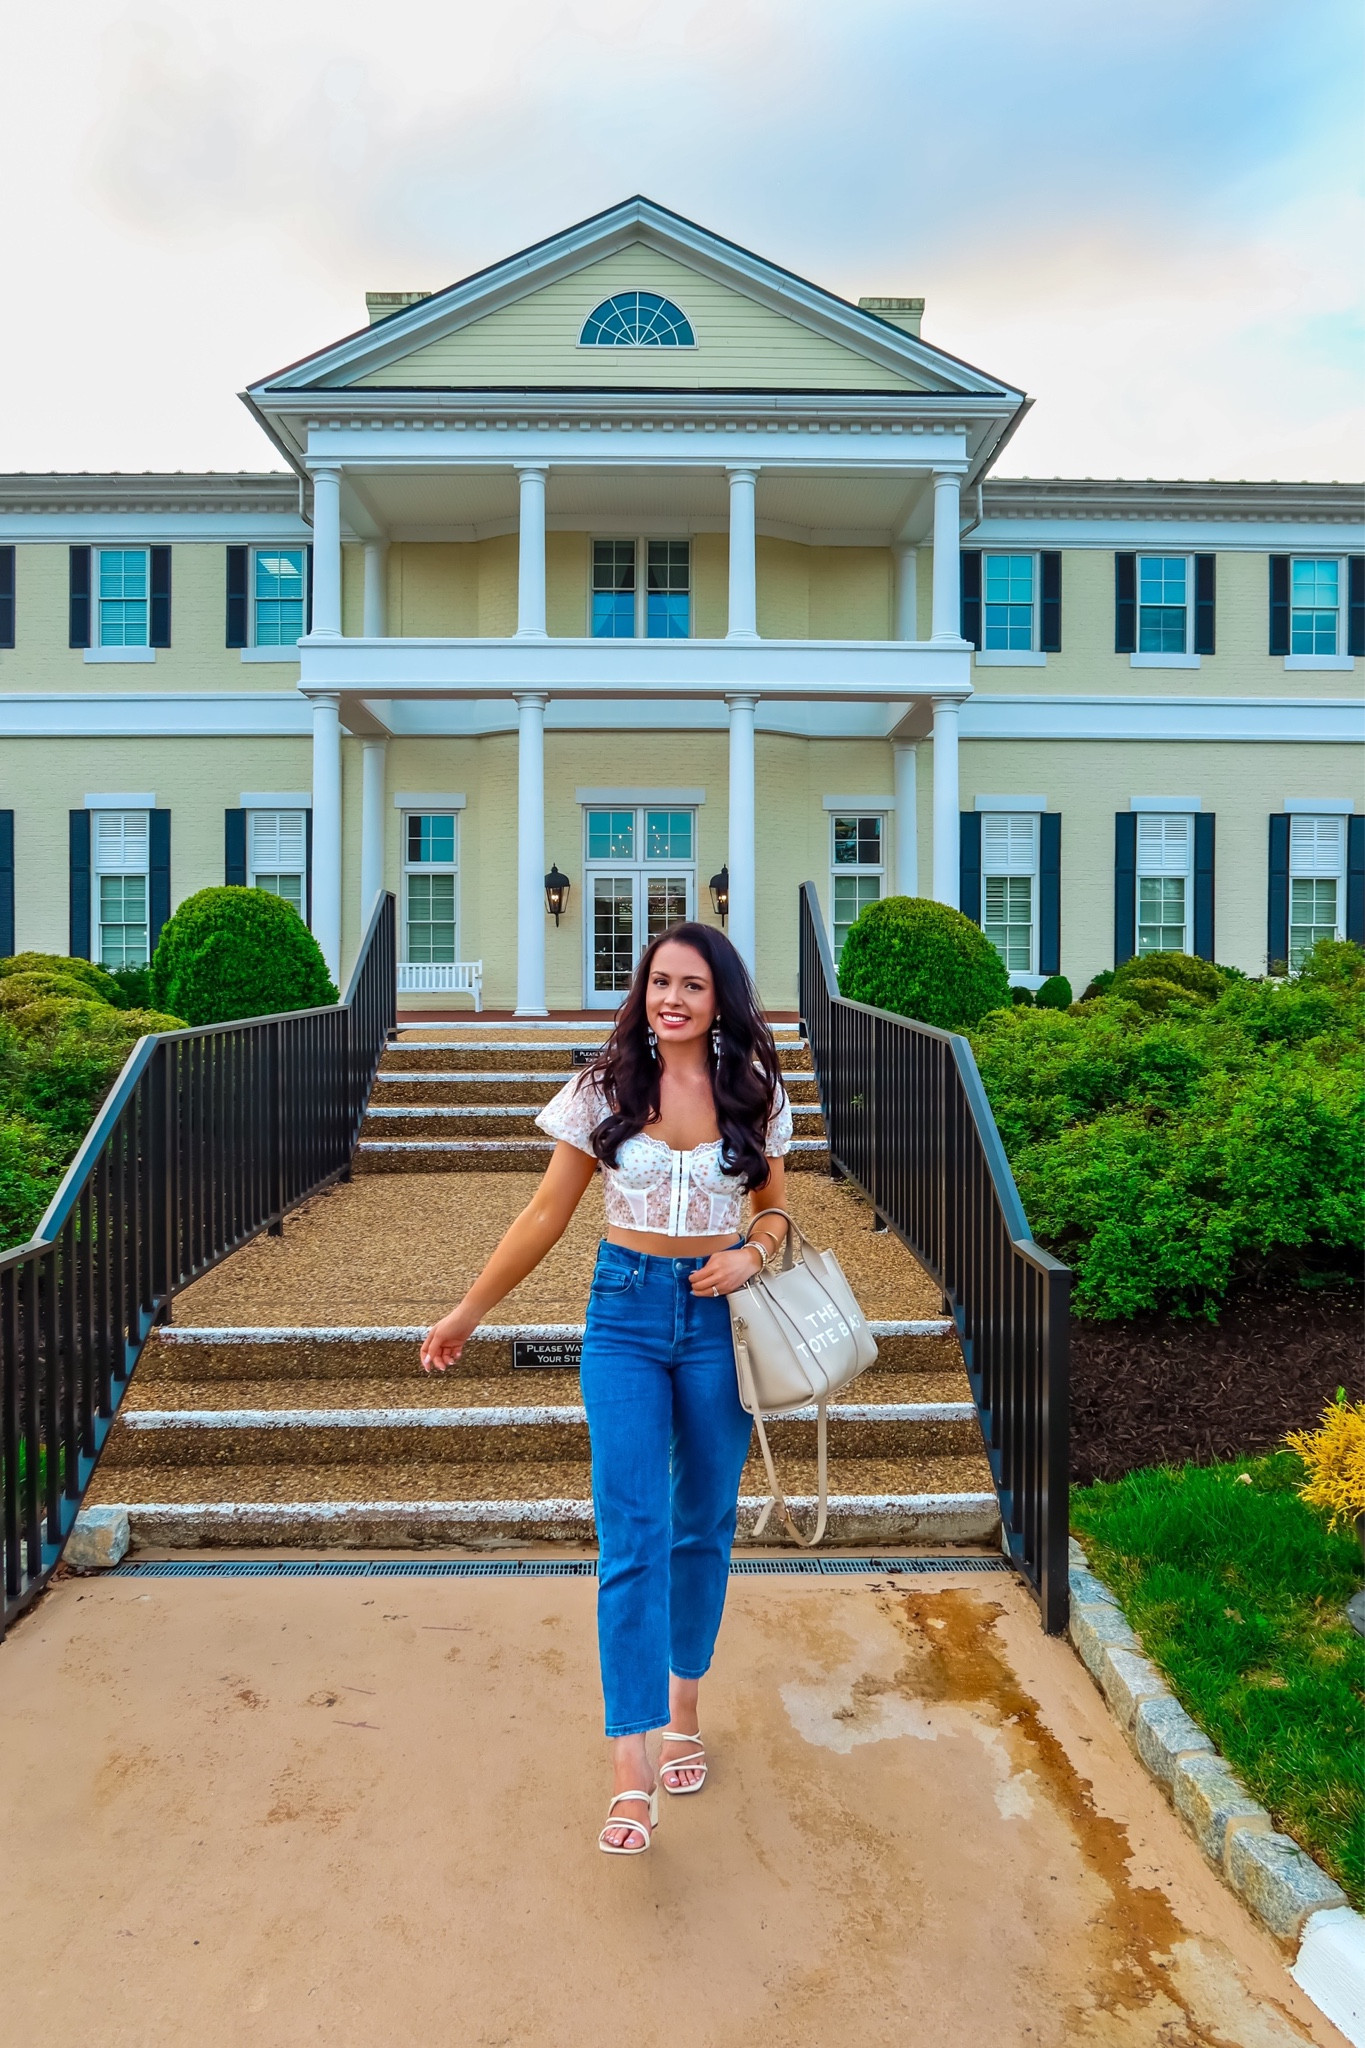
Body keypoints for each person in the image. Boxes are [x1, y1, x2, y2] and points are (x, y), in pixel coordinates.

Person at [421, 921, 792, 1855]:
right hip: (623, 1315)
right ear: (644, 990)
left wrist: (752, 1250)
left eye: (694, 986)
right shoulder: (601, 1088)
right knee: (630, 1533)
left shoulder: (753, 1087)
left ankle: (683, 1712)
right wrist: (470, 1310)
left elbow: (777, 1207)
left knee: (702, 1521)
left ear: (720, 999)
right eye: (660, 981)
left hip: (717, 1323)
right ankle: (629, 1768)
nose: (673, 998)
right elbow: (546, 1212)